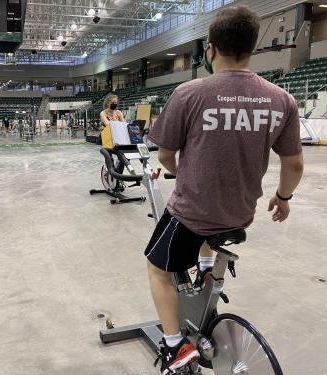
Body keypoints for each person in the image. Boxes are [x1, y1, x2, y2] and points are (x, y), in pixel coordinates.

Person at [144, 6, 304, 374]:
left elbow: (166, 155)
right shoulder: (282, 99)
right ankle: (203, 266)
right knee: (209, 228)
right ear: (251, 49)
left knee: (156, 268)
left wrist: (184, 173)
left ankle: (174, 347)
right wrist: (283, 198)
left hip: (194, 212)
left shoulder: (188, 93)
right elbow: (294, 165)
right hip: (240, 212)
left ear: (210, 50)